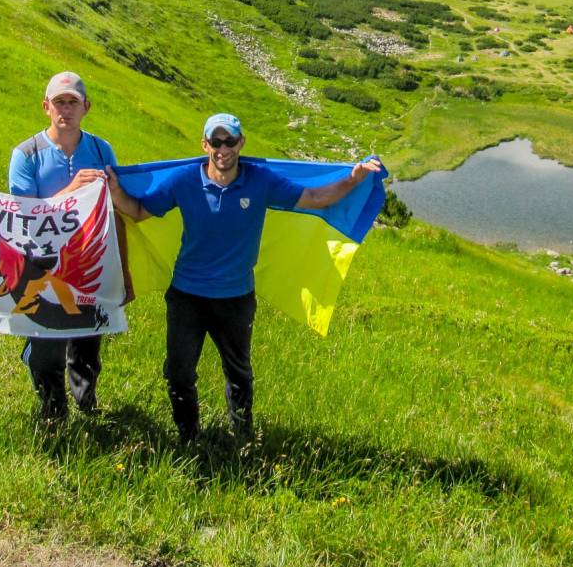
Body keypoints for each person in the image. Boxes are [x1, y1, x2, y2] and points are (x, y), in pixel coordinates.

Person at [106, 113, 381, 442]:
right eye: (216, 142)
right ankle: (188, 436)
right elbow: (138, 211)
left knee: (238, 374)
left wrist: (354, 178)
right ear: (204, 144)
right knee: (179, 373)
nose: (223, 149)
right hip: (187, 295)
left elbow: (316, 199)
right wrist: (114, 191)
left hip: (236, 299)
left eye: (230, 141)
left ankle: (242, 436)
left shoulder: (261, 180)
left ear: (241, 144)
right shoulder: (184, 181)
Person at [9, 71, 133, 425]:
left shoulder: (100, 149)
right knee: (46, 342)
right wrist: (72, 192)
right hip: (44, 265)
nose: (66, 109)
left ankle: (86, 402)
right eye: (59, 102)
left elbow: (113, 207)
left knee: (88, 340)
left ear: (86, 107)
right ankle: (52, 411)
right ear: (46, 107)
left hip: (90, 259)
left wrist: (124, 271)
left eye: (73, 102)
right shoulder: (26, 154)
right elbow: (23, 215)